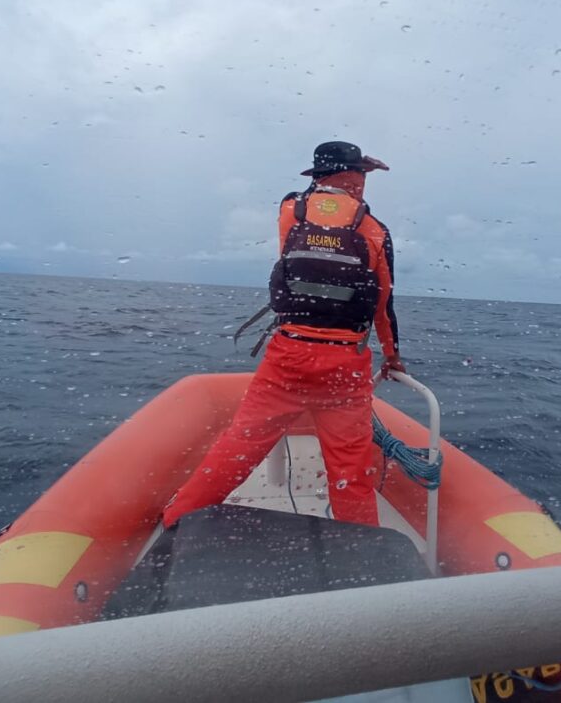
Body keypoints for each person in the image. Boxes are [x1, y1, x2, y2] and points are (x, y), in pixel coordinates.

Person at [162, 141, 405, 529]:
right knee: (350, 470)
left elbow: (318, 203)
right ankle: (360, 546)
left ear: (318, 175)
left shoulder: (291, 211)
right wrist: (392, 356)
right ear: (357, 176)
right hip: (344, 366)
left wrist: (340, 177)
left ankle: (177, 519)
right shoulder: (375, 230)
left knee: (239, 447)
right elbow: (383, 306)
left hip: (288, 357)